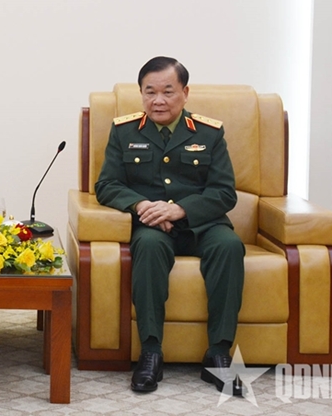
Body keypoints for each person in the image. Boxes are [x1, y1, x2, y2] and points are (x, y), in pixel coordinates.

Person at [95, 56, 245, 396]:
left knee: (229, 246)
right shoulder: (124, 131)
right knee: (147, 247)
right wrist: (141, 205)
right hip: (152, 226)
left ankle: (218, 354)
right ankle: (151, 353)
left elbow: (224, 192)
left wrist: (179, 210)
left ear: (185, 93)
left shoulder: (209, 133)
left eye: (167, 91)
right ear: (141, 94)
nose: (158, 101)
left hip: (201, 225)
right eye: (150, 92)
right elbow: (107, 185)